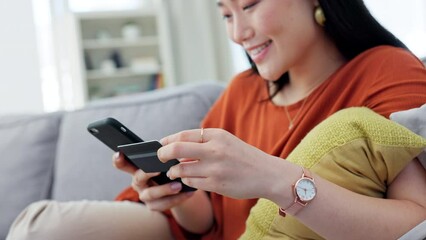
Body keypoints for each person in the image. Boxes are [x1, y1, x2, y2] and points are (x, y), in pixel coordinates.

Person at [7, 0, 426, 239]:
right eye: (226, 14)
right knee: (39, 226)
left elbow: (417, 222)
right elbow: (210, 222)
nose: (238, 32)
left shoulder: (387, 72)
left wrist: (276, 180)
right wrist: (181, 195)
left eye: (249, 5)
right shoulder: (244, 91)